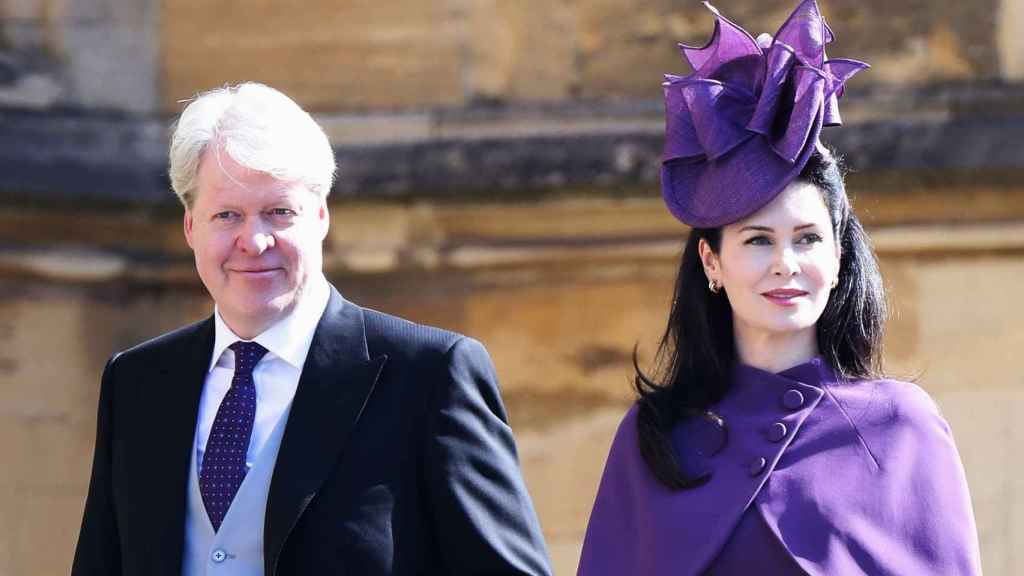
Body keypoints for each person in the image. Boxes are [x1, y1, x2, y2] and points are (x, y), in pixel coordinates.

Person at [72, 82, 553, 576]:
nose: (254, 241)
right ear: (191, 226)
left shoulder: (430, 376)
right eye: (226, 215)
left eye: (278, 212)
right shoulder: (137, 382)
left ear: (321, 216)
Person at [577, 1, 982, 574]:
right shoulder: (653, 437)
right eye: (758, 241)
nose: (786, 264)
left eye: (809, 240)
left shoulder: (902, 425)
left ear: (840, 258)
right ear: (711, 261)